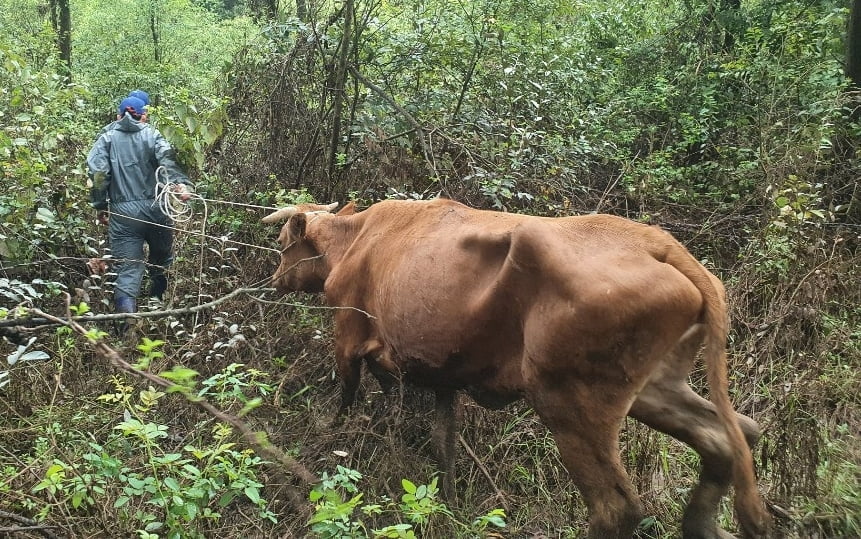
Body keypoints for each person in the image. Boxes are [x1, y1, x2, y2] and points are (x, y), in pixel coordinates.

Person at [87, 95, 193, 319]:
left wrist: (100, 205)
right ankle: (157, 307)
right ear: (143, 116)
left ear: (118, 116)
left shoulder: (106, 139)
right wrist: (181, 186)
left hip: (122, 214)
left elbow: (98, 174)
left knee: (128, 268)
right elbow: (168, 162)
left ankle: (126, 328)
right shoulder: (153, 134)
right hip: (157, 209)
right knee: (161, 259)